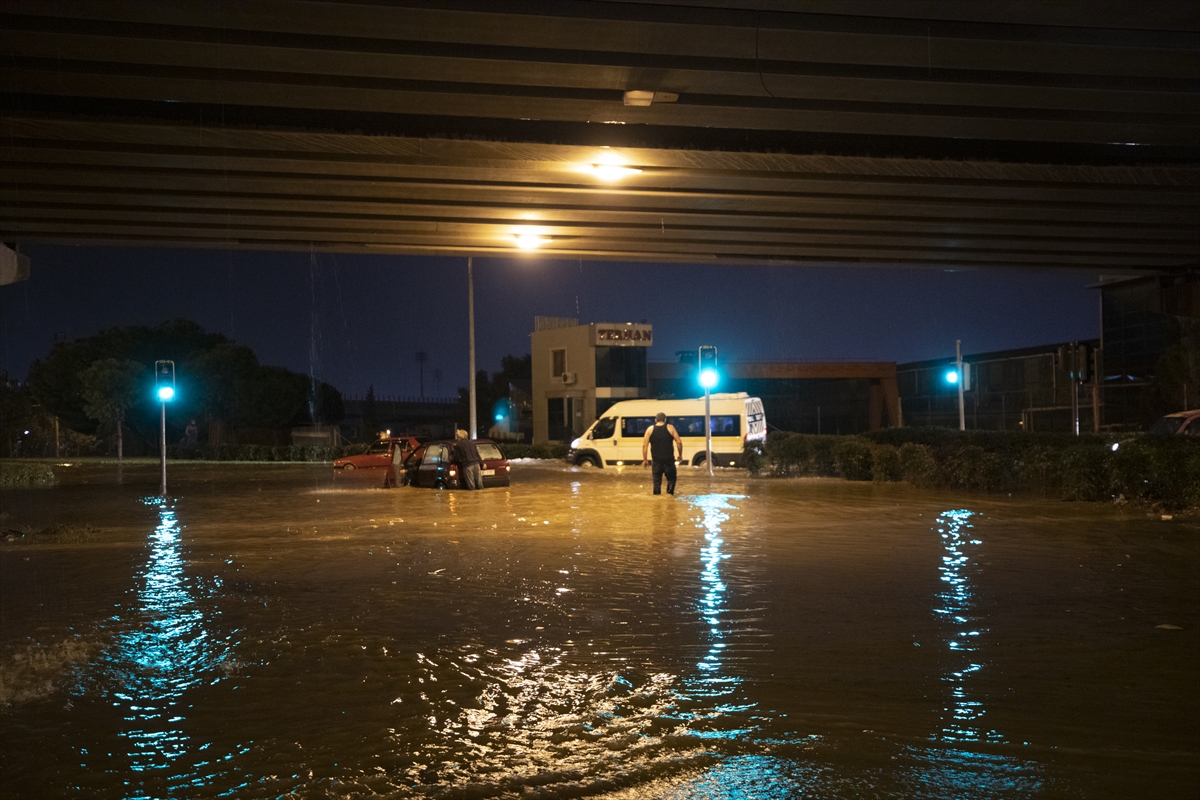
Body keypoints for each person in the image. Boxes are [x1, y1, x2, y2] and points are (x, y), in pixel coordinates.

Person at [642, 412, 683, 495]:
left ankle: (657, 503)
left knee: (656, 482)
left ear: (655, 419)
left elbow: (644, 445)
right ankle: (670, 497)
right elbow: (679, 442)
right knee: (671, 480)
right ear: (665, 419)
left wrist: (645, 459)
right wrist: (680, 455)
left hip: (656, 461)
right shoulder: (670, 428)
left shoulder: (650, 429)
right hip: (669, 460)